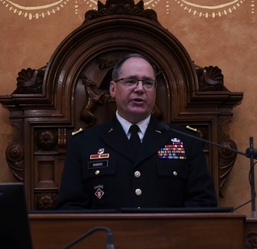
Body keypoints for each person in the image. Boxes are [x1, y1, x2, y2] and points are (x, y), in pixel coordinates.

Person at [56, 53, 217, 210]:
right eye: (131, 81)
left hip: (170, 237)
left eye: (148, 83)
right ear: (113, 89)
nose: (140, 89)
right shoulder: (84, 143)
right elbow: (70, 209)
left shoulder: (186, 140)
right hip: (108, 236)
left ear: (154, 90)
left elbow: (203, 204)